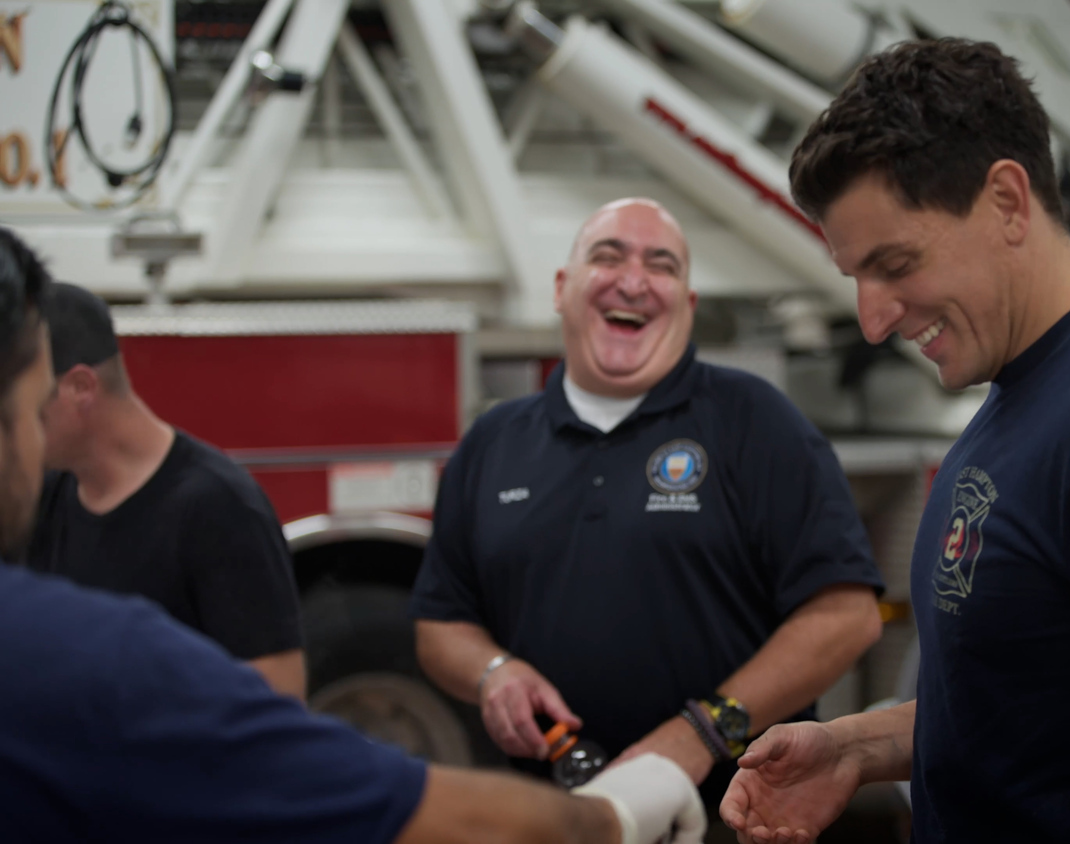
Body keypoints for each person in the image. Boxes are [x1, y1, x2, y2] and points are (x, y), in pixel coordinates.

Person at [720, 39, 1070, 844]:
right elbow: (1035, 698)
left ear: (1007, 201)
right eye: (855, 280)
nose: (872, 320)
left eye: (895, 263)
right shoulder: (1023, 392)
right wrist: (853, 747)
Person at [0, 225, 707, 844]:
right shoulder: (91, 656)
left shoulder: (198, 516)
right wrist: (612, 816)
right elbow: (346, 790)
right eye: (30, 411)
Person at [408, 197, 885, 811]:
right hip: (554, 817)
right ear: (561, 287)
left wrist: (704, 733)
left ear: (686, 305)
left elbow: (846, 617)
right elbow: (440, 624)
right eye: (608, 257)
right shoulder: (493, 441)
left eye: (661, 265)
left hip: (733, 816)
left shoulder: (756, 421)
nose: (633, 281)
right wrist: (493, 670)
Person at [22, 282, 306, 699]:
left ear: (80, 389)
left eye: (15, 399)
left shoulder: (219, 509)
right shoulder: (44, 498)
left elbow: (277, 697)